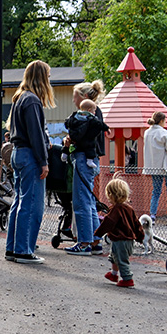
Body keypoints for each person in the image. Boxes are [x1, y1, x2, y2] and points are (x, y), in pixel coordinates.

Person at [5, 60, 55, 264]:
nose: (49, 80)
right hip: (30, 156)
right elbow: (35, 134)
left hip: (18, 153)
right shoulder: (33, 100)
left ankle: (13, 248)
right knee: (32, 204)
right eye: (48, 76)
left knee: (19, 202)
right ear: (42, 77)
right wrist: (44, 161)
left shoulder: (19, 98)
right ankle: (24, 249)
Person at [61, 81, 107, 256]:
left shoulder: (86, 114)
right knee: (88, 201)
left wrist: (70, 139)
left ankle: (84, 242)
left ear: (84, 96)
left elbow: (82, 136)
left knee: (81, 201)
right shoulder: (95, 113)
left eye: (75, 96)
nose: (73, 100)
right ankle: (95, 241)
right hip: (91, 159)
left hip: (82, 158)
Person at [95, 178, 145, 288]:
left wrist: (98, 233)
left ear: (111, 194)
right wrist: (140, 237)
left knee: (121, 260)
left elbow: (108, 223)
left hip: (120, 240)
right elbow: (137, 224)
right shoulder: (129, 208)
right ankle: (113, 274)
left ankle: (128, 279)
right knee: (114, 257)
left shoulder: (115, 209)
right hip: (127, 240)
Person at [143, 111, 167, 225]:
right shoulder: (165, 134)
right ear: (162, 121)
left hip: (154, 166)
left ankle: (152, 216)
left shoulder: (147, 133)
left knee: (156, 191)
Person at [62, 99, 109, 169]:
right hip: (84, 141)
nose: (95, 113)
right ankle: (89, 160)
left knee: (68, 143)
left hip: (75, 137)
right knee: (90, 146)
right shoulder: (91, 118)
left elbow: (67, 122)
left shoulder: (75, 115)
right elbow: (99, 124)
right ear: (89, 110)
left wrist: (69, 126)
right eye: (94, 111)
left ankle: (64, 154)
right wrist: (107, 128)